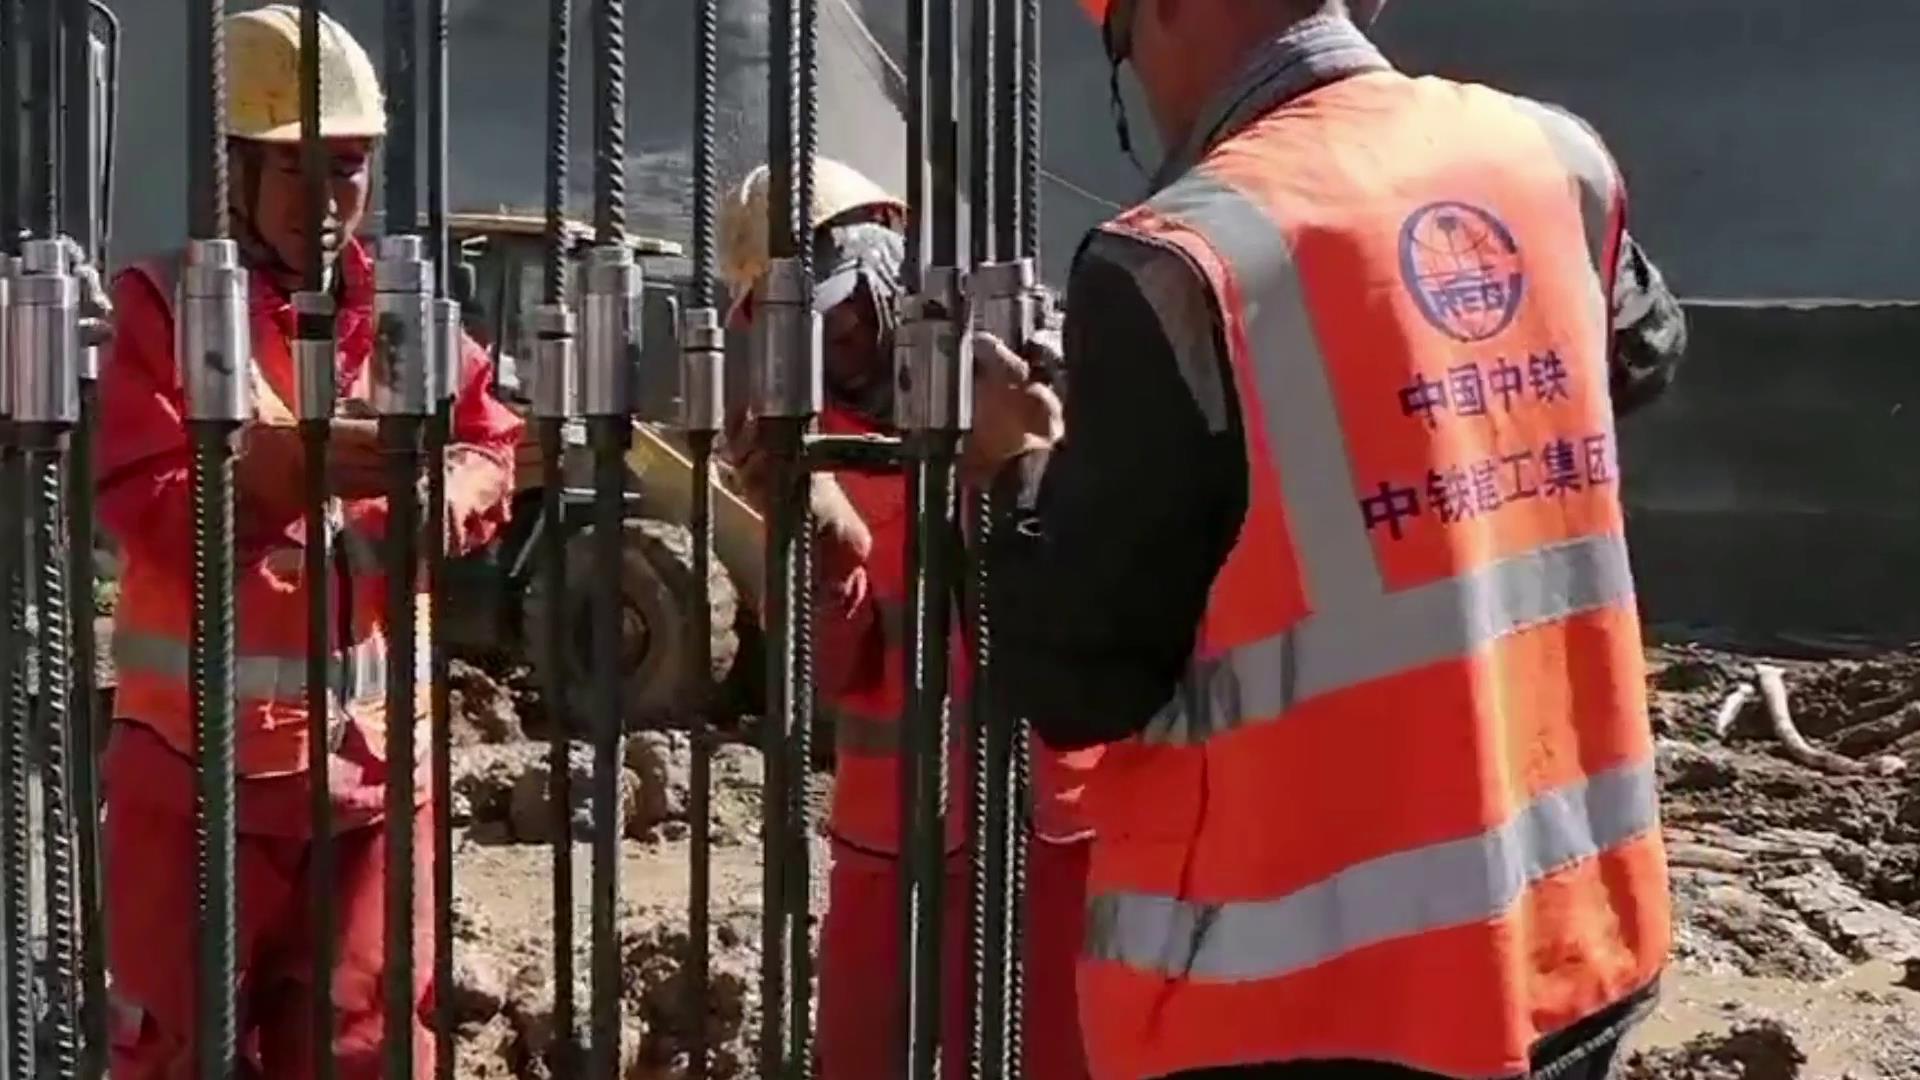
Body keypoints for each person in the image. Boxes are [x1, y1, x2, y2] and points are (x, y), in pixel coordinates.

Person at [966, 2, 1688, 1078]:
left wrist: (1014, 467)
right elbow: (1640, 356)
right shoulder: (1553, 157)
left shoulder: (1174, 264)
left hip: (1307, 1011)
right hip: (1575, 944)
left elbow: (1077, 680)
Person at [96, 6, 522, 1076]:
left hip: (372, 785)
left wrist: (459, 491)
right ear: (232, 173)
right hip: (197, 782)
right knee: (172, 1049)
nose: (330, 202)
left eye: (348, 169)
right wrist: (272, 475)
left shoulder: (406, 313)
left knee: (364, 1047)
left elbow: (493, 441)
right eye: (296, 171)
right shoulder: (160, 310)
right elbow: (135, 496)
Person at [717, 157, 1094, 1080]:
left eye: (843, 296)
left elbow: (1111, 589)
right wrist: (822, 546)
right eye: (798, 320)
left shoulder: (1019, 372)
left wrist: (1036, 450)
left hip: (1052, 823)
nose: (837, 337)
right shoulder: (801, 443)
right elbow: (827, 677)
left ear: (893, 250)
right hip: (890, 843)